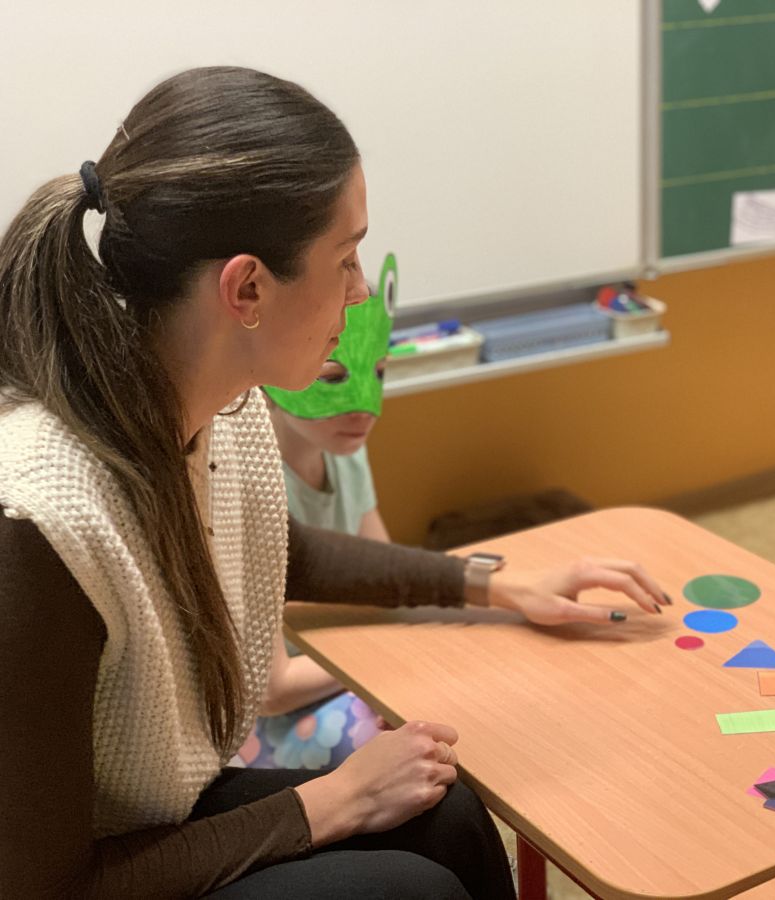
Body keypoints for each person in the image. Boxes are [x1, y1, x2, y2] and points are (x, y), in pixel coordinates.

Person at [0, 66, 667, 899]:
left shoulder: (219, 407)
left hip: (145, 817)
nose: (357, 293)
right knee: (411, 888)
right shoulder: (41, 519)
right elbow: (46, 885)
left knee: (450, 811)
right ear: (247, 288)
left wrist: (501, 585)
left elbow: (277, 549)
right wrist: (331, 803)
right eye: (346, 260)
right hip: (72, 872)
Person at [233, 255, 398, 771]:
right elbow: (271, 689)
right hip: (261, 727)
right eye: (333, 378)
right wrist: (378, 662)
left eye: (378, 372)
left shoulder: (345, 450)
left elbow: (386, 586)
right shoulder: (246, 482)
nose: (363, 407)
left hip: (341, 674)